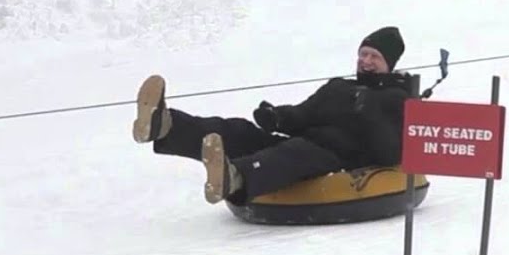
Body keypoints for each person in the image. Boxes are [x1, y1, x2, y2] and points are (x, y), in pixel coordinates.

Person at [131, 26, 411, 205]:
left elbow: (390, 152)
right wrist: (276, 117)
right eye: (363, 54)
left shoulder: (397, 99)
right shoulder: (339, 86)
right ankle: (166, 126)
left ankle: (235, 176)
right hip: (304, 144)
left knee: (296, 152)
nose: (366, 61)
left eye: (375, 57)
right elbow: (304, 113)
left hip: (338, 160)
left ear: (390, 63)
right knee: (240, 131)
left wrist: (370, 111)